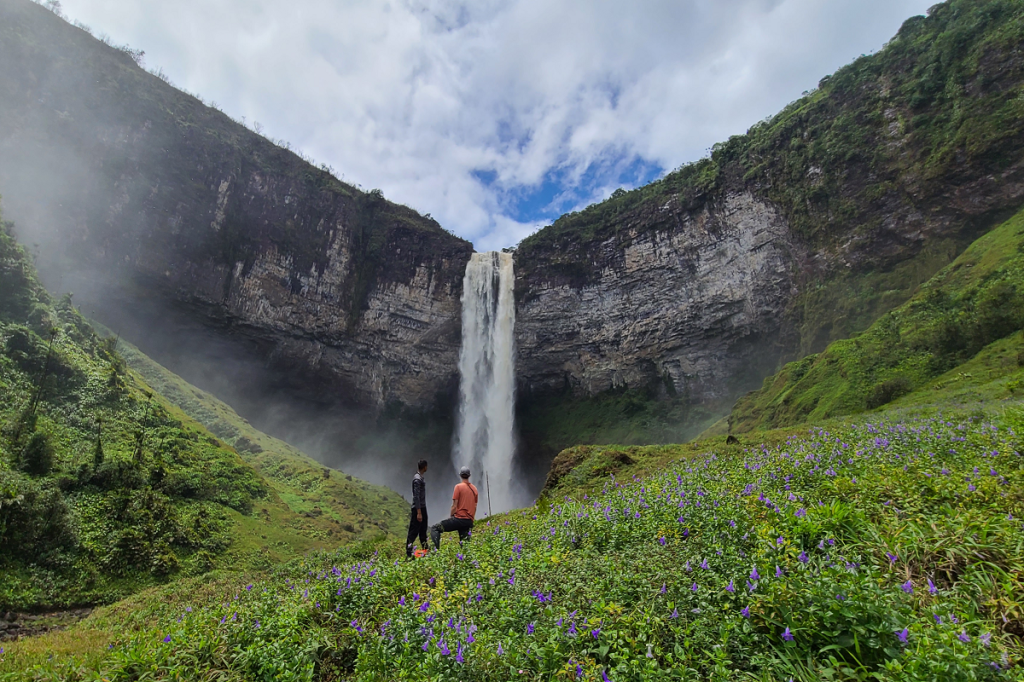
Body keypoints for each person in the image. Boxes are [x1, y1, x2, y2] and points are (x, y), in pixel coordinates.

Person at [430, 466, 478, 550]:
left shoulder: (458, 487)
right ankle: (466, 558)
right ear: (469, 476)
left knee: (435, 528)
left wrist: (451, 516)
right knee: (465, 545)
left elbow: (454, 506)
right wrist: (471, 520)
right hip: (468, 521)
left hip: (459, 520)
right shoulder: (475, 489)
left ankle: (435, 551)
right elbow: (475, 507)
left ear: (460, 475)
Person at [406, 459, 428, 558]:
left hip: (422, 507)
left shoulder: (420, 478)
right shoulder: (417, 479)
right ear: (424, 467)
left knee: (423, 530)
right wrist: (419, 512)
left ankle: (425, 550)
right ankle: (409, 552)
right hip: (418, 508)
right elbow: (416, 496)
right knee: (414, 531)